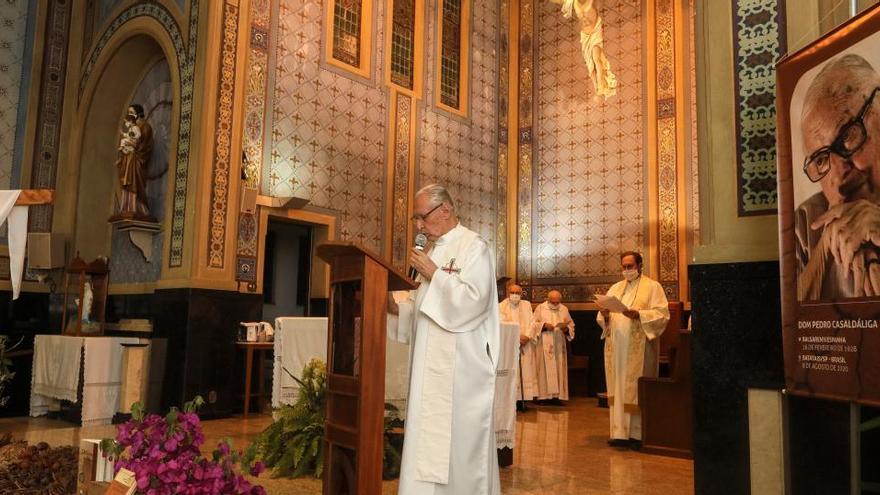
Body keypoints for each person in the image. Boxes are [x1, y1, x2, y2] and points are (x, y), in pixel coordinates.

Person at [388, 184, 501, 495]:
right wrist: (395, 309)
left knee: (458, 444)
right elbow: (423, 309)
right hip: (429, 368)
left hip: (460, 370)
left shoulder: (473, 247)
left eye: (422, 218)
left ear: (445, 211)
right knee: (427, 436)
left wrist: (435, 274)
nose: (420, 227)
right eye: (417, 220)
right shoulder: (432, 252)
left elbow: (474, 302)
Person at [796, 53, 880, 300]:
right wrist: (824, 247)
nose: (837, 173)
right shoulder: (807, 220)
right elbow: (791, 319)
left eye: (846, 137)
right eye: (821, 159)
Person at [596, 251, 669, 449]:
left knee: (635, 387)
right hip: (616, 348)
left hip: (639, 348)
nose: (627, 270)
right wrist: (605, 315)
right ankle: (619, 432)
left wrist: (639, 314)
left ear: (640, 265)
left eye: (631, 266)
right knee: (619, 387)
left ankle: (637, 435)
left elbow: (662, 315)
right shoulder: (615, 288)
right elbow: (603, 317)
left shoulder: (653, 287)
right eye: (624, 267)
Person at [559, 0, 617, 99]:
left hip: (595, 31)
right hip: (585, 35)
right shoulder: (573, 3)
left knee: (596, 59)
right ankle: (596, 87)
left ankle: (601, 86)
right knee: (590, 64)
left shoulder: (591, 1)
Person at [530, 290, 575, 404]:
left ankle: (557, 397)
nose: (555, 304)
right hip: (544, 343)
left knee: (558, 368)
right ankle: (543, 397)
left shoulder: (564, 309)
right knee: (543, 369)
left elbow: (571, 324)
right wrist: (544, 325)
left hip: (559, 344)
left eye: (557, 302)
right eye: (553, 302)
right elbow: (532, 324)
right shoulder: (540, 308)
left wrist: (566, 328)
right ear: (548, 299)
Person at [499, 284, 539, 406]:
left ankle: (523, 399)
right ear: (508, 293)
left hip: (525, 343)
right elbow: (501, 323)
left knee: (525, 370)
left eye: (518, 293)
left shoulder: (526, 305)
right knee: (511, 370)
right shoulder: (500, 306)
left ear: (521, 294)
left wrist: (527, 336)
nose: (515, 295)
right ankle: (510, 400)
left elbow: (533, 322)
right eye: (513, 292)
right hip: (509, 344)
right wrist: (516, 337)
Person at [113, 104, 154, 221]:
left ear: (137, 113)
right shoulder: (133, 127)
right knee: (127, 181)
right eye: (128, 112)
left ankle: (139, 207)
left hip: (136, 160)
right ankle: (127, 207)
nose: (129, 114)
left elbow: (145, 145)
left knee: (135, 181)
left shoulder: (145, 127)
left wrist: (133, 146)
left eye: (131, 112)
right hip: (129, 158)